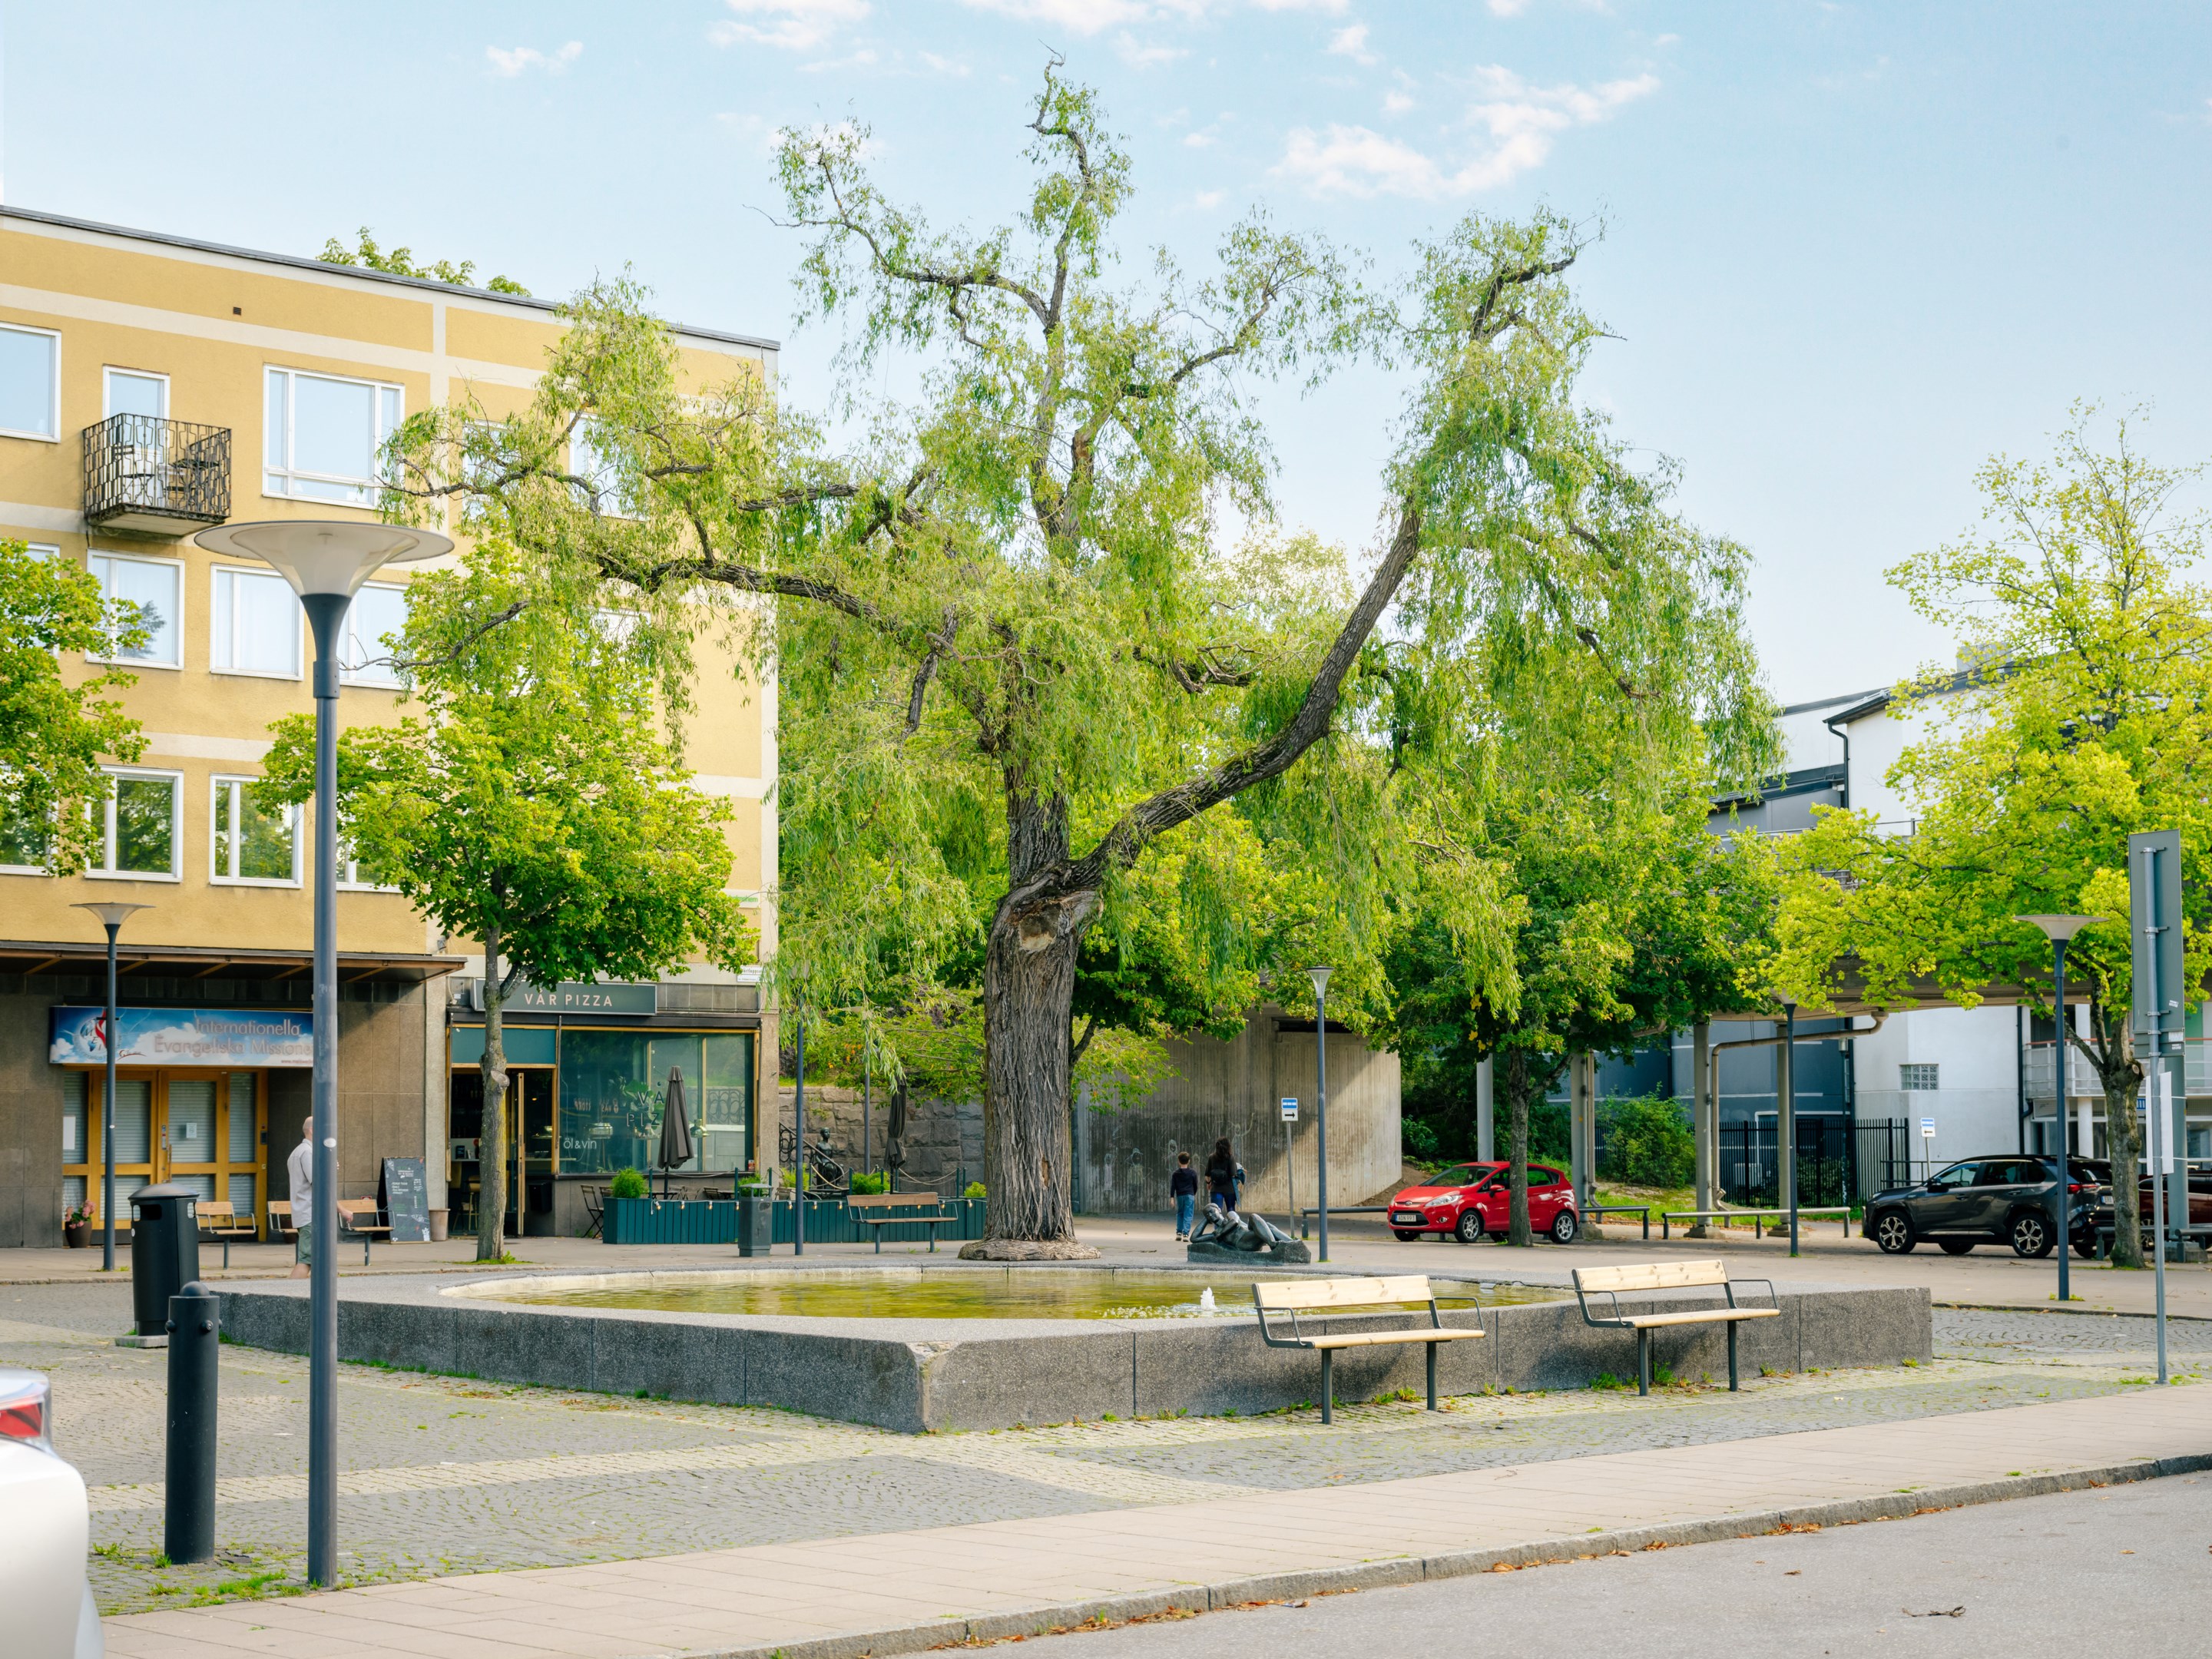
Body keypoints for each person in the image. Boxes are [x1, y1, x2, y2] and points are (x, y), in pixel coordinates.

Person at [287, 1115, 315, 1280]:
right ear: (312, 1130)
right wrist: (341, 1209)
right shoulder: (308, 1152)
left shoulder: (297, 1152)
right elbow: (319, 1185)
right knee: (307, 1261)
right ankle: (288, 1296)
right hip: (310, 1214)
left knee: (312, 1259)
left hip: (303, 1213)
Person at [1204, 1137, 1243, 1217]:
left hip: (1216, 1190)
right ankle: (1232, 1229)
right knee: (1231, 1210)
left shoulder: (1211, 1157)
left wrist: (1208, 1183)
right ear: (1228, 1146)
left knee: (1217, 1212)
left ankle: (1218, 1229)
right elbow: (1233, 1174)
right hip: (1229, 1191)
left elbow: (1207, 1175)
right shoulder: (1230, 1158)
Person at [1170, 1152, 1199, 1240]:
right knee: (1188, 1214)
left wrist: (1172, 1198)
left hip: (1180, 1196)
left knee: (1180, 1213)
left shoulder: (1175, 1174)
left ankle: (1179, 1232)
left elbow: (1173, 1186)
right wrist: (1193, 1193)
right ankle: (1186, 1234)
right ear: (1189, 1161)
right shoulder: (1193, 1173)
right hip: (1190, 1195)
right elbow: (1196, 1185)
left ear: (1179, 1161)